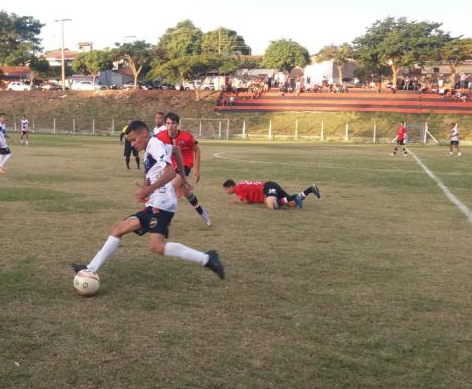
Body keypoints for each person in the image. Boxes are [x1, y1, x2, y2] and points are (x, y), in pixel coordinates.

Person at [71, 120, 224, 279]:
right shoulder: (155, 145)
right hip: (155, 202)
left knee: (157, 246)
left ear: (144, 133)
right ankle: (90, 268)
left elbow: (170, 171)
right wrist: (182, 179)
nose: (132, 144)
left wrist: (149, 189)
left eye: (133, 139)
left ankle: (207, 258)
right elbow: (177, 150)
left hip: (163, 203)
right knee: (118, 230)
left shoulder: (155, 145)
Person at [156, 112, 211, 227]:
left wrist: (196, 169)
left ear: (178, 124)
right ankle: (202, 212)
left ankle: (164, 220)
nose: (170, 126)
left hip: (185, 165)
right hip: (170, 165)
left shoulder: (186, 137)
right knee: (187, 193)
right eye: (168, 123)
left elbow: (197, 150)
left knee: (170, 189)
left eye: (173, 123)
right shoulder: (160, 136)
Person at [222, 179, 320, 211]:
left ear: (231, 187)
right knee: (292, 204)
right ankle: (310, 190)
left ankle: (295, 197)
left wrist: (238, 203)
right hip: (269, 188)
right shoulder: (240, 185)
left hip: (268, 187)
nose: (226, 192)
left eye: (226, 189)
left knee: (271, 206)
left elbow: (246, 202)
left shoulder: (237, 189)